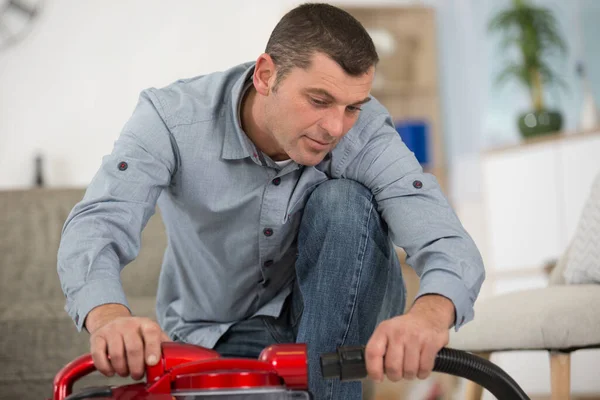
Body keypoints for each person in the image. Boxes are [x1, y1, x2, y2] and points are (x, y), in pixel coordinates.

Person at [57, 3, 485, 399]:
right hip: (222, 331)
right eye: (318, 101)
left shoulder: (365, 133)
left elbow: (444, 236)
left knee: (344, 201)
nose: (336, 126)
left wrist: (429, 315)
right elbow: (99, 221)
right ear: (265, 76)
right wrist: (109, 318)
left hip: (352, 322)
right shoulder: (170, 120)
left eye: (353, 106)